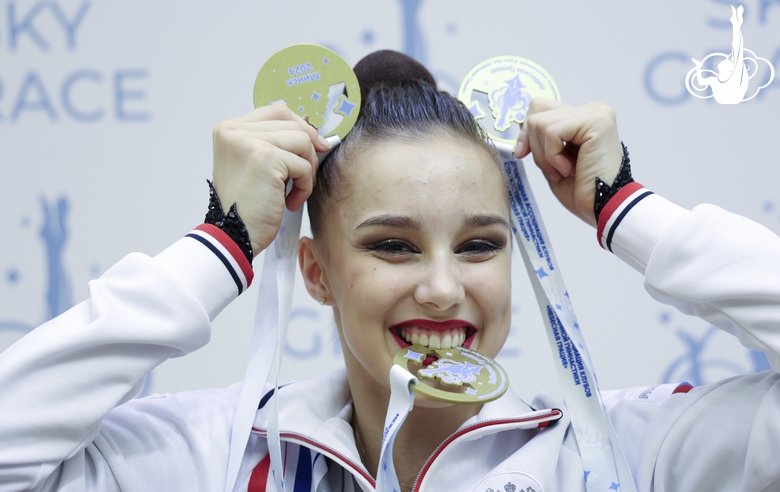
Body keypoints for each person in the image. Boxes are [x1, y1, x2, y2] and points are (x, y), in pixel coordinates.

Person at [1, 50, 779, 492]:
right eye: (393, 246)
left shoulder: (627, 451)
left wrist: (628, 208)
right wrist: (224, 242)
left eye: (480, 245)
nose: (443, 288)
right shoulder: (212, 457)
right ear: (315, 270)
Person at [691, 5, 749, 104]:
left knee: (737, 49)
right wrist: (698, 67)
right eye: (727, 60)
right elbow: (701, 82)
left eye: (727, 61)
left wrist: (736, 25)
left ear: (729, 68)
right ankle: (736, 23)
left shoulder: (734, 76)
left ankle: (736, 23)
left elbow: (737, 47)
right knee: (737, 50)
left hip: (732, 98)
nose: (725, 59)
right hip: (728, 98)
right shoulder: (715, 80)